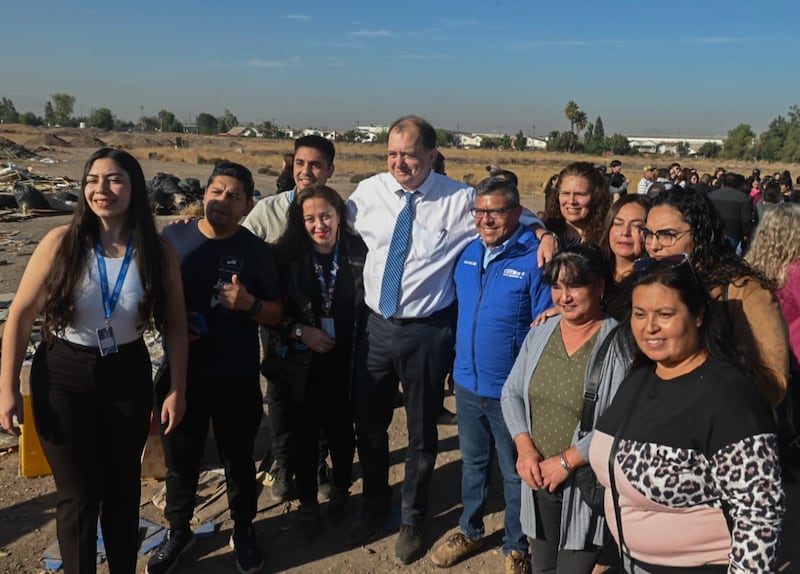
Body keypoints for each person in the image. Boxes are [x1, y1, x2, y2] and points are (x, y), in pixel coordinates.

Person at [343, 115, 554, 564]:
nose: (400, 163)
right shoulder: (368, 192)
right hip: (377, 326)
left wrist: (545, 233)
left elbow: (516, 216)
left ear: (431, 155)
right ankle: (373, 506)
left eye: (409, 155)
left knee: (421, 433)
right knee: (370, 424)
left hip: (426, 331)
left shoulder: (459, 199)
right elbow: (325, 222)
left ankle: (412, 519)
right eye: (392, 154)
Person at [0, 148, 189, 574]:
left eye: (115, 179)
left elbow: (176, 324)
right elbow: (21, 315)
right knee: (79, 494)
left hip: (126, 373)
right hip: (63, 374)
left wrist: (178, 388)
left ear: (135, 188)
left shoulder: (156, 251)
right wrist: (7, 388)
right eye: (92, 180)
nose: (102, 189)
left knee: (122, 488)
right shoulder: (60, 243)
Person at [589, 254, 784, 573]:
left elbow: (759, 513)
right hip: (632, 562)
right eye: (639, 313)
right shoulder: (641, 376)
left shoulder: (728, 396)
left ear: (698, 315)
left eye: (665, 314)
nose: (649, 327)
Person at [146, 161, 282, 574]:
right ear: (204, 194)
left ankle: (244, 529)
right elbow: (150, 296)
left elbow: (277, 314)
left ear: (248, 206)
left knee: (238, 460)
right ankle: (178, 531)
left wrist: (250, 304)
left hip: (236, 376)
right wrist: (167, 320)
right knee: (180, 461)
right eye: (216, 191)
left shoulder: (256, 252)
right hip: (181, 376)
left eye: (234, 196)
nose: (223, 200)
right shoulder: (173, 237)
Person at [429, 177, 551, 574]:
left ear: (516, 212)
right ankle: (471, 529)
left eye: (495, 211)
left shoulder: (535, 258)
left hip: (510, 391)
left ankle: (516, 544)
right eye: (479, 211)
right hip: (467, 383)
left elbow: (545, 326)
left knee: (515, 473)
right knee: (473, 463)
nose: (485, 219)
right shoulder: (467, 252)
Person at [501, 243, 629, 574]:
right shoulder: (540, 333)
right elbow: (511, 392)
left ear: (599, 286)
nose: (564, 297)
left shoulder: (620, 345)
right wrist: (524, 448)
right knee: (542, 565)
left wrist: (566, 461)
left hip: (583, 484)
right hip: (539, 478)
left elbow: (621, 423)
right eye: (557, 287)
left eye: (575, 286)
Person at [266, 184, 366, 541]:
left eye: (326, 216)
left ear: (339, 216)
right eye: (310, 218)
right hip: (302, 363)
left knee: (342, 433)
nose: (319, 225)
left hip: (347, 360)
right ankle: (308, 502)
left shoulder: (360, 252)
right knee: (304, 436)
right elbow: (268, 314)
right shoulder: (285, 258)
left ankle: (340, 491)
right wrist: (298, 331)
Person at [242, 134, 336, 502]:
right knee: (280, 395)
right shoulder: (268, 211)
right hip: (279, 322)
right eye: (300, 163)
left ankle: (318, 464)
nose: (306, 171)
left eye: (315, 165)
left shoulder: (339, 210)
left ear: (330, 170)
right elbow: (237, 244)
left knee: (323, 394)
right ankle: (283, 464)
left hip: (326, 319)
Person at [643, 187, 789, 407]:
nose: (654, 245)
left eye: (667, 235)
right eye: (648, 234)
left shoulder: (744, 291)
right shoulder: (649, 284)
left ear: (699, 236)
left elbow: (773, 381)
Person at [599, 195, 650, 320]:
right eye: (618, 224)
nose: (625, 232)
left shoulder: (650, 281)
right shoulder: (593, 269)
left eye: (637, 226)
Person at [542, 161, 611, 245]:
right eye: (566, 193)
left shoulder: (610, 237)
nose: (571, 201)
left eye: (580, 194)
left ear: (596, 196)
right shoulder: (542, 234)